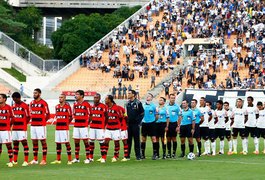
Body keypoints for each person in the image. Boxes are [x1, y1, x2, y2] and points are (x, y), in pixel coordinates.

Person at [29, 88, 50, 165]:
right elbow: (30, 113)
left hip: (41, 126)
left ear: (39, 94)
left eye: (36, 93)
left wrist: (43, 121)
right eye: (33, 93)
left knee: (43, 141)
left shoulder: (44, 103)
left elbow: (48, 114)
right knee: (34, 141)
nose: (34, 94)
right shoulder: (31, 103)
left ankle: (44, 160)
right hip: (33, 125)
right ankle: (35, 159)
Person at [50, 94, 72, 165]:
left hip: (64, 128)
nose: (60, 99)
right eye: (59, 97)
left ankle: (69, 160)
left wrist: (66, 123)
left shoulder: (67, 107)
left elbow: (70, 117)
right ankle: (58, 159)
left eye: (61, 97)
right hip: (58, 128)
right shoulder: (57, 107)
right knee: (58, 143)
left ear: (65, 98)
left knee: (66, 143)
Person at [71, 90, 91, 164]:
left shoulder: (86, 104)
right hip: (76, 126)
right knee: (76, 142)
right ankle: (77, 158)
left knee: (86, 142)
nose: (75, 95)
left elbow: (90, 115)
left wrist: (87, 123)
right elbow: (73, 114)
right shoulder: (75, 104)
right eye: (75, 94)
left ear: (82, 96)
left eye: (77, 94)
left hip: (83, 126)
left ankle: (88, 158)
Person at [11, 92, 30, 167]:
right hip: (15, 128)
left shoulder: (25, 106)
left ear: (19, 98)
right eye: (13, 99)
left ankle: (26, 161)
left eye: (15, 99)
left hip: (22, 128)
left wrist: (24, 124)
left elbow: (28, 117)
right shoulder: (13, 106)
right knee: (15, 144)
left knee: (24, 143)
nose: (14, 101)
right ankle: (15, 160)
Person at [103, 95, 122, 163]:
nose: (105, 100)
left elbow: (121, 117)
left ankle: (116, 156)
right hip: (108, 128)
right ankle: (104, 157)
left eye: (106, 99)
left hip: (116, 128)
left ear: (110, 100)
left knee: (116, 142)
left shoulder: (116, 108)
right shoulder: (106, 108)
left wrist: (120, 126)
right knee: (106, 142)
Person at [126, 90, 144, 160]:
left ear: (133, 95)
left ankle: (138, 156)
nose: (128, 94)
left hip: (136, 125)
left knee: (137, 140)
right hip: (129, 124)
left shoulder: (138, 103)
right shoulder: (127, 103)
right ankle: (127, 155)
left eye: (129, 93)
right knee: (128, 140)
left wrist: (138, 122)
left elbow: (142, 113)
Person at [89, 93, 107, 162]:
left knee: (101, 142)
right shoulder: (91, 106)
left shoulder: (103, 106)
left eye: (96, 98)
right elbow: (90, 117)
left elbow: (107, 116)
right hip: (92, 127)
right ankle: (91, 157)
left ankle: (103, 157)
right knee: (91, 141)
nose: (95, 99)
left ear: (99, 99)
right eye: (94, 98)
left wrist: (104, 125)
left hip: (100, 127)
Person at [141, 93, 157, 160]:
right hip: (144, 123)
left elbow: (156, 116)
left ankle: (154, 154)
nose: (148, 97)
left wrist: (153, 121)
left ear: (152, 98)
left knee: (153, 138)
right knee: (143, 139)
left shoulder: (153, 106)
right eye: (147, 96)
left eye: (149, 96)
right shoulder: (143, 105)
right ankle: (142, 154)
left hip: (151, 123)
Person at [0, 94, 14, 167]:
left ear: (4, 99)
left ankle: (11, 161)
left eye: (0, 98)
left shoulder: (9, 107)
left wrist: (9, 125)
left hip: (6, 130)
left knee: (8, 145)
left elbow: (13, 118)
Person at [166, 94, 180, 158]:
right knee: (168, 139)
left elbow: (180, 116)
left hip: (174, 124)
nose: (173, 99)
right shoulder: (166, 106)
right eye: (171, 98)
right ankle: (169, 153)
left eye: (174, 98)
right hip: (168, 124)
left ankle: (174, 153)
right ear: (169, 98)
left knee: (174, 139)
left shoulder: (177, 107)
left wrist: (178, 125)